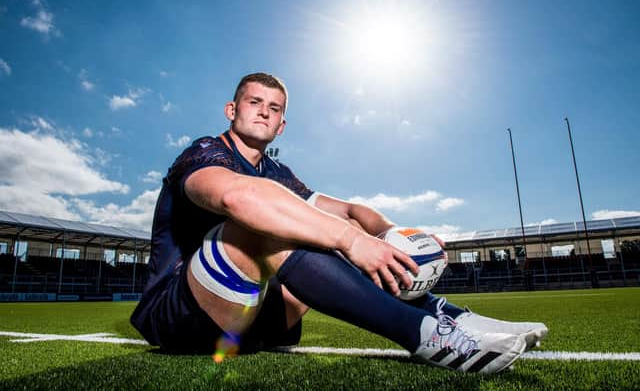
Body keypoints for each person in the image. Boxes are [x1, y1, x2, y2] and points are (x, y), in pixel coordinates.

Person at [131, 72, 547, 374]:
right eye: (254, 102)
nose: (264, 112)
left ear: (282, 125)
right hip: (180, 316)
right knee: (268, 222)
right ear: (232, 109)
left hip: (256, 324)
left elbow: (349, 212)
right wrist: (350, 241)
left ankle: (452, 317)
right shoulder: (205, 152)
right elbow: (238, 197)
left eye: (274, 108)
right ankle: (423, 335)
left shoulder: (279, 172)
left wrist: (394, 237)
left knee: (310, 219)